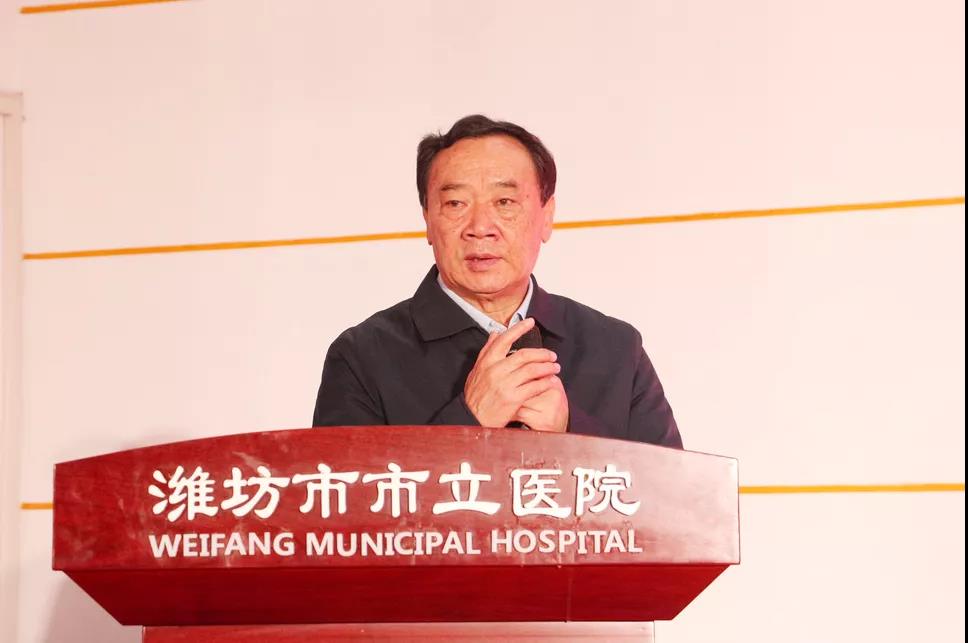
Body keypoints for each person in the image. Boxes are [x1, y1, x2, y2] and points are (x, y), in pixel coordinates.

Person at [312, 115, 682, 447]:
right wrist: (468, 420)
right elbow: (343, 499)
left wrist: (569, 435)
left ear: (547, 217)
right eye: (456, 204)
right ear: (427, 219)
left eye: (504, 202)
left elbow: (672, 497)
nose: (480, 228)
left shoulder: (616, 349)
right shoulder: (362, 357)